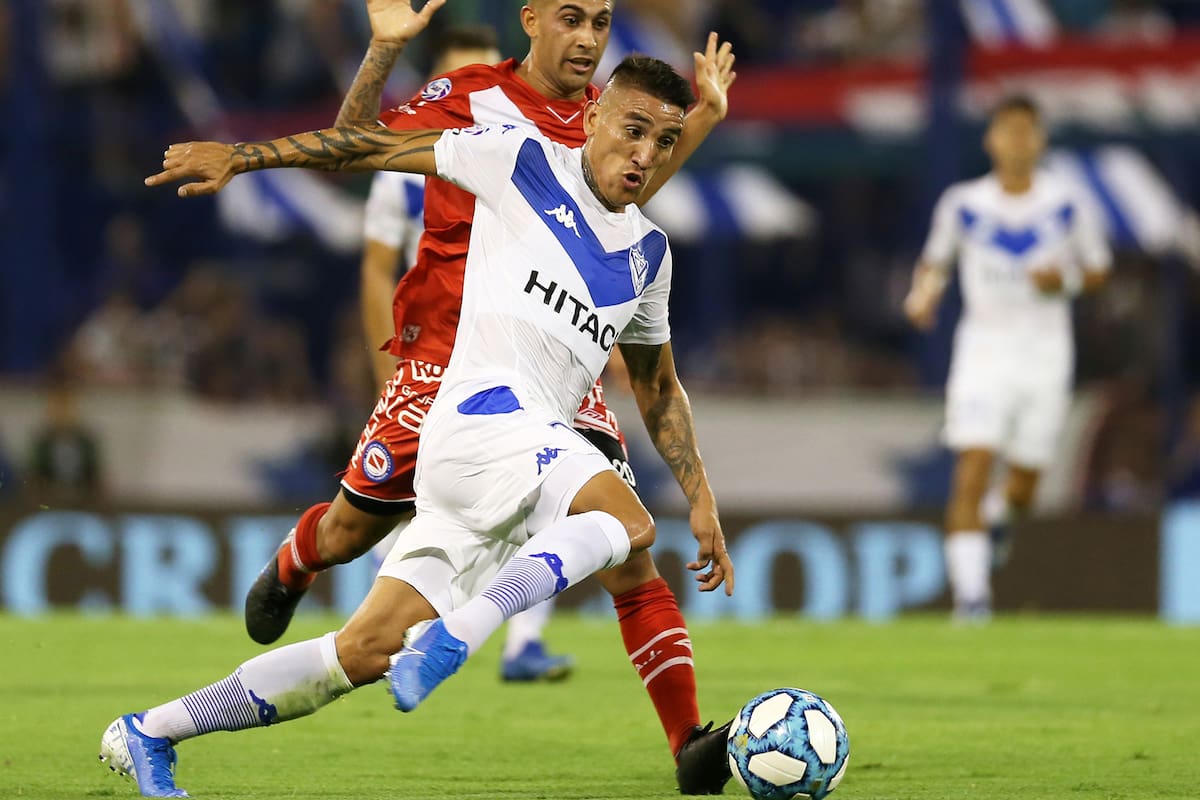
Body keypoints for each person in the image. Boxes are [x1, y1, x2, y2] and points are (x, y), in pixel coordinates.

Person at [106, 55, 731, 800]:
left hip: (504, 467)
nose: (645, 155)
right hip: (479, 426)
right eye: (633, 130)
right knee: (625, 522)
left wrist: (701, 492)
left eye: (663, 143)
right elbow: (368, 145)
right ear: (593, 116)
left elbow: (658, 386)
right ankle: (461, 633)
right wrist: (241, 158)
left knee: (362, 650)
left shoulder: (648, 256)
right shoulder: (517, 160)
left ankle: (151, 731)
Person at [361, 23, 574, 684]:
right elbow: (375, 271)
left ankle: (520, 644)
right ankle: (365, 604)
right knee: (390, 506)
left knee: (552, 489)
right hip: (431, 354)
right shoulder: (405, 175)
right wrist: (386, 373)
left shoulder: (531, 159)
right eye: (462, 78)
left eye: (489, 72)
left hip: (511, 359)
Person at [903, 95, 1111, 620]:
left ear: (1040, 139)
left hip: (1045, 354)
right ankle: (972, 601)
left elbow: (1098, 268)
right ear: (991, 138)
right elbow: (936, 261)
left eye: (1027, 131)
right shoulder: (963, 203)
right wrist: (924, 294)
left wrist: (1061, 279)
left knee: (1024, 484)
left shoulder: (1066, 203)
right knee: (972, 465)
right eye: (1008, 130)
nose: (1017, 140)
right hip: (984, 351)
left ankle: (999, 520)